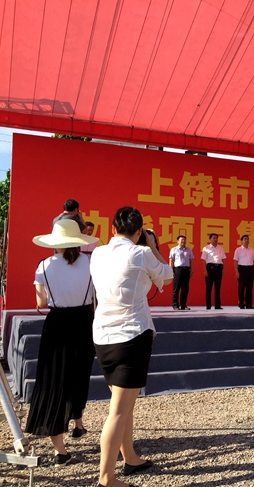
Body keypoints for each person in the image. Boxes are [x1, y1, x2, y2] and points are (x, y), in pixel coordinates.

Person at [90, 206, 173, 487]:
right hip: (131, 337)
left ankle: (131, 457)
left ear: (113, 229)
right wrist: (152, 246)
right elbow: (168, 275)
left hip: (103, 337)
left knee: (123, 405)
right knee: (118, 411)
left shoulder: (98, 253)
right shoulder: (142, 253)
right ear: (139, 231)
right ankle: (106, 478)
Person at [25, 219, 98, 467]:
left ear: (55, 242)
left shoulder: (44, 265)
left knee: (54, 381)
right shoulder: (90, 262)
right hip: (84, 321)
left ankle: (60, 451)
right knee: (80, 374)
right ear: (78, 241)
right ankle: (78, 423)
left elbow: (41, 303)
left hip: (57, 323)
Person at [169, 235, 194, 310]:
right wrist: (171, 270)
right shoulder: (174, 249)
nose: (183, 241)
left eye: (184, 240)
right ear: (177, 241)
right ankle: (175, 305)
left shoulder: (189, 249)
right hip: (178, 269)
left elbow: (191, 260)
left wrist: (191, 270)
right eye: (182, 240)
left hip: (186, 269)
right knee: (176, 288)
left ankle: (183, 305)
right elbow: (171, 260)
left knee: (185, 289)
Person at [201, 233, 226, 310]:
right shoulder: (206, 248)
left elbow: (223, 259)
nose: (215, 239)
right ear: (210, 239)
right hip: (210, 268)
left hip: (219, 268)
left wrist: (223, 269)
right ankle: (208, 306)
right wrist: (205, 270)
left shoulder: (220, 248)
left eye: (216, 238)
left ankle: (217, 305)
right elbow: (203, 260)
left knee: (217, 288)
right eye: (214, 238)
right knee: (209, 288)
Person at [233, 234, 254, 309]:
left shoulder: (252, 250)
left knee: (249, 287)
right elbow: (235, 261)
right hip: (242, 269)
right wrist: (236, 271)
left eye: (247, 239)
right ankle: (241, 303)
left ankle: (249, 304)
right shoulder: (238, 250)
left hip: (250, 269)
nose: (246, 241)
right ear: (241, 241)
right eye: (245, 239)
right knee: (241, 287)